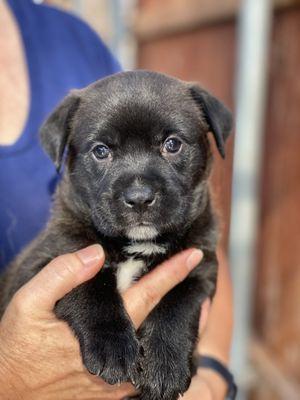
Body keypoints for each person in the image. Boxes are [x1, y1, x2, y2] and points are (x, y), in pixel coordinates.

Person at [0, 0, 233, 398]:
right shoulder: (74, 231)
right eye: (103, 152)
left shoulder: (71, 37)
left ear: (211, 138)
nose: (139, 189)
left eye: (172, 145)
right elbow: (38, 282)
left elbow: (200, 273)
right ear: (64, 154)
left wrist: (209, 381)